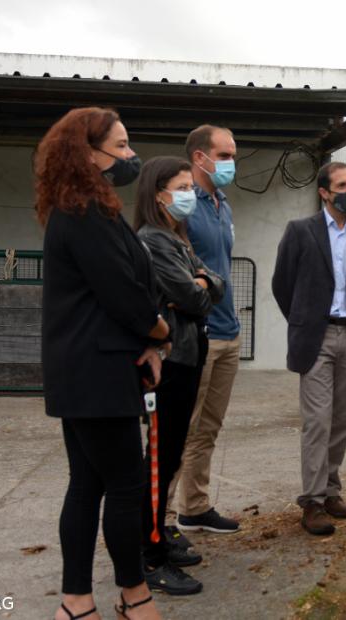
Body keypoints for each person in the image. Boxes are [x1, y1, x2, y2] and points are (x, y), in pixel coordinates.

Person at [36, 107, 167, 620]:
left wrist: (153, 341)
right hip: (96, 372)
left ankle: (76, 602)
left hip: (91, 369)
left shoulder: (89, 210)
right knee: (124, 485)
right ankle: (133, 595)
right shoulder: (83, 214)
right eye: (122, 145)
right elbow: (124, 294)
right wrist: (159, 332)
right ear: (89, 154)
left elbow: (129, 283)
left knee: (88, 484)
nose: (131, 155)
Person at [271, 161, 346, 536]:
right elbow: (282, 284)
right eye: (342, 184)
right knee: (317, 421)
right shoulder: (300, 231)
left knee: (341, 420)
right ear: (324, 192)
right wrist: (304, 319)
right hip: (314, 338)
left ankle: (331, 490)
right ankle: (313, 501)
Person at [134, 156, 225, 596]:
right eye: (183, 187)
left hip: (189, 353)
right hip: (168, 362)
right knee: (159, 457)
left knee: (169, 454)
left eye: (192, 186)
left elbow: (215, 285)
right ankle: (148, 554)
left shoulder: (177, 238)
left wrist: (204, 283)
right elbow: (193, 296)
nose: (191, 194)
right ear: (159, 193)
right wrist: (203, 283)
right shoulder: (153, 240)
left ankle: (158, 534)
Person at [170, 125, 243, 536]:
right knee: (182, 428)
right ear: (201, 157)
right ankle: (158, 525)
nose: (232, 163)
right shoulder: (183, 205)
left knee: (208, 428)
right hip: (198, 333)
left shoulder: (223, 203)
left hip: (228, 330)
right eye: (226, 155)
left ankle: (194, 507)